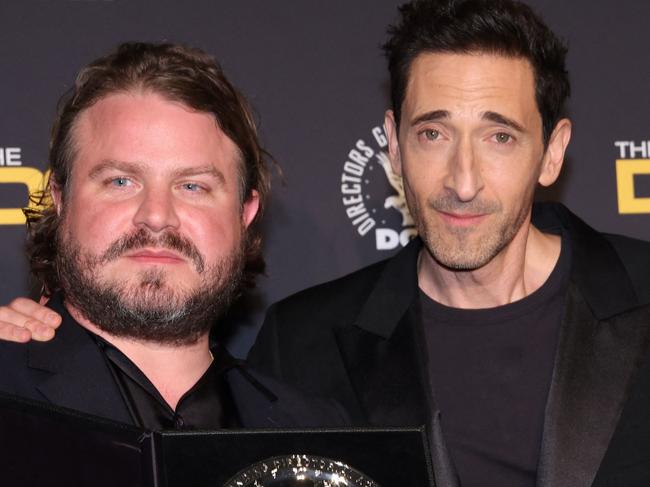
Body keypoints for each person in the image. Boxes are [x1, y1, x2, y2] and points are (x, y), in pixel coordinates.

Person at [3, 1, 650, 486]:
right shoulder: (309, 339)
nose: (463, 177)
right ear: (393, 145)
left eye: (195, 185)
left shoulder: (297, 409)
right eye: (119, 180)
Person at [0, 42, 345, 431]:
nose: (157, 217)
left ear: (244, 214)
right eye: (121, 181)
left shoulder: (314, 431)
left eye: (193, 186)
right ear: (60, 200)